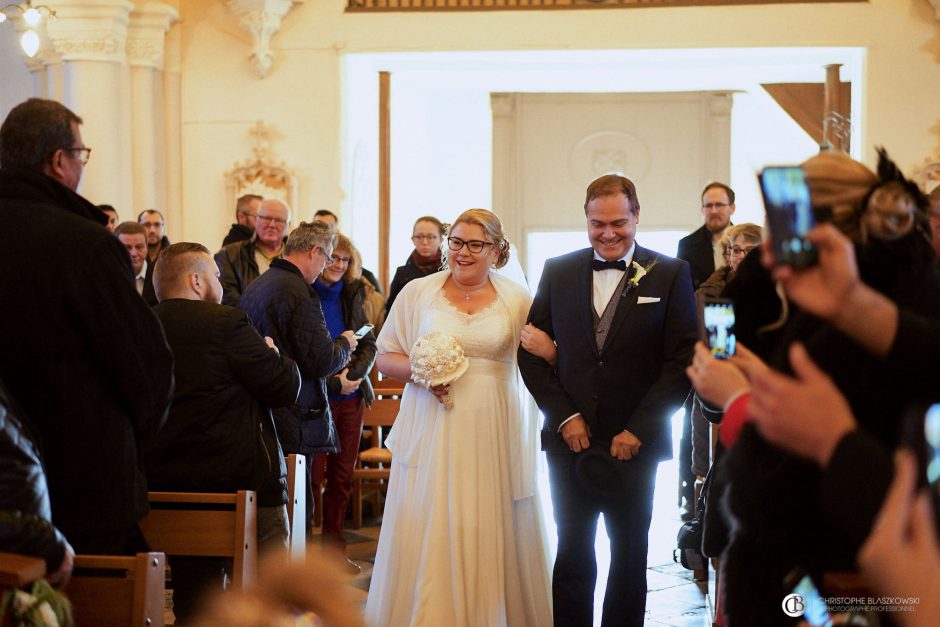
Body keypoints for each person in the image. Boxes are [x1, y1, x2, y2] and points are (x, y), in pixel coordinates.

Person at [519, 175, 697, 627]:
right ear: (586, 220)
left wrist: (639, 428)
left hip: (634, 442)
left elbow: (681, 361)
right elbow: (532, 353)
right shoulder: (557, 271)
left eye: (619, 222)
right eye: (598, 224)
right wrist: (564, 417)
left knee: (630, 554)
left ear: (637, 216)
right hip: (569, 442)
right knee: (573, 551)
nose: (609, 233)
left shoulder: (670, 272)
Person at [0, 97, 173, 555]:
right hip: (81, 485)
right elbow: (145, 368)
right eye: (81, 155)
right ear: (59, 161)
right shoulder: (84, 245)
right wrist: (124, 445)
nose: (82, 165)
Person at [365, 209, 552, 627]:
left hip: (495, 422)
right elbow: (384, 354)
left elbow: (539, 357)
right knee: (433, 511)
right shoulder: (418, 292)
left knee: (490, 514)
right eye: (456, 242)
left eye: (475, 244)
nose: (462, 253)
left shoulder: (517, 298)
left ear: (498, 252)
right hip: (434, 422)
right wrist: (421, 374)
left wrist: (551, 351)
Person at [145, 242, 301, 621]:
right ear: (196, 281)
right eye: (215, 275)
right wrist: (274, 354)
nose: (219, 281)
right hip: (237, 481)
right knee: (269, 586)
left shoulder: (139, 325)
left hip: (162, 482)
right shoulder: (226, 323)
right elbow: (284, 387)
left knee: (194, 593)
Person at [238, 221, 358, 538]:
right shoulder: (300, 292)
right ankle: (294, 586)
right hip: (296, 414)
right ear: (314, 251)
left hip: (262, 411)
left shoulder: (259, 284)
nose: (327, 266)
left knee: (271, 515)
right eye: (328, 257)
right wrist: (345, 344)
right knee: (296, 513)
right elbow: (321, 360)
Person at [310, 233, 377, 570]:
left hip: (350, 398)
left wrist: (356, 375)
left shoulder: (353, 292)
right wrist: (332, 380)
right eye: (333, 257)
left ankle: (334, 551)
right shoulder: (305, 292)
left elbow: (368, 342)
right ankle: (305, 556)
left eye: (345, 260)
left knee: (341, 477)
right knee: (312, 478)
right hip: (315, 398)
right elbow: (302, 353)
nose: (338, 265)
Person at [215, 198, 291, 306]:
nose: (272, 225)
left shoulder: (297, 257)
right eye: (267, 218)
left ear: (288, 225)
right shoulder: (228, 255)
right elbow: (227, 296)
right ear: (257, 220)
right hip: (246, 321)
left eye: (279, 220)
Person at [313, 208, 383, 295]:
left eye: (345, 260)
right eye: (319, 227)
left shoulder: (357, 284)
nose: (340, 265)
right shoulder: (305, 281)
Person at [386, 216, 445, 313]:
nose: (425, 242)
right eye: (419, 237)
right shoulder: (402, 273)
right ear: (413, 239)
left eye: (430, 237)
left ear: (441, 240)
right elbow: (392, 310)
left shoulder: (449, 271)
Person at [115, 221, 158, 306]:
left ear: (147, 246)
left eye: (139, 247)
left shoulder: (158, 277)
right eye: (127, 248)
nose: (133, 253)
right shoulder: (106, 277)